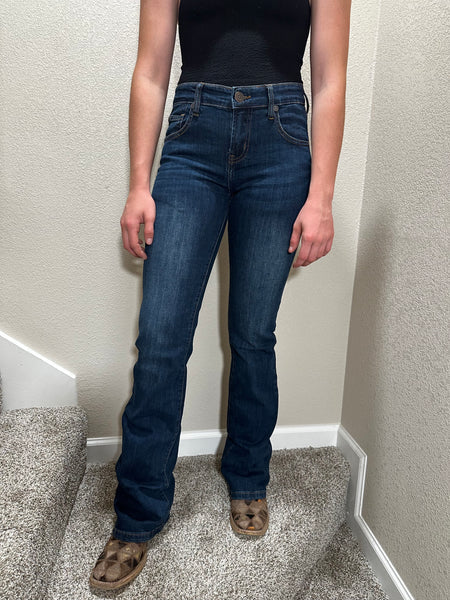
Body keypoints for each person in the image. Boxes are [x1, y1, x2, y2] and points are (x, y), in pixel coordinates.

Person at [89, 0, 351, 591]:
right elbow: (151, 69)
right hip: (192, 135)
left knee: (254, 334)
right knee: (160, 340)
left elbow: (330, 78)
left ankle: (249, 476)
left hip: (282, 139)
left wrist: (322, 197)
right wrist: (138, 184)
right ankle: (137, 513)